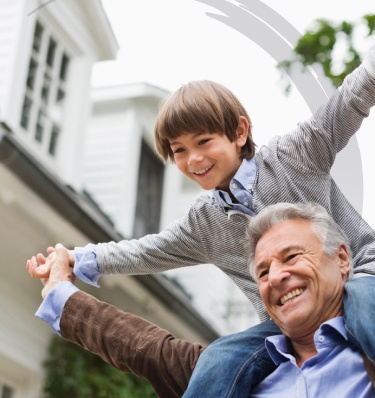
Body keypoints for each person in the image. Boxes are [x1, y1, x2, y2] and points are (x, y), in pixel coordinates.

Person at [27, 45, 375, 397]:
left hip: (362, 275)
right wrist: (77, 259)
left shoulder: (294, 156)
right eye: (179, 150)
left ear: (239, 133)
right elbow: (147, 252)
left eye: (204, 142)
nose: (193, 159)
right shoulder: (204, 222)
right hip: (283, 321)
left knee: (363, 312)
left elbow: (348, 101)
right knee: (218, 359)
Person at [31, 203, 375, 397]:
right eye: (263, 271)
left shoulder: (364, 349)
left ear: (342, 258)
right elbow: (144, 347)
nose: (277, 277)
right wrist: (59, 291)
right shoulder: (233, 373)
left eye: (292, 256)